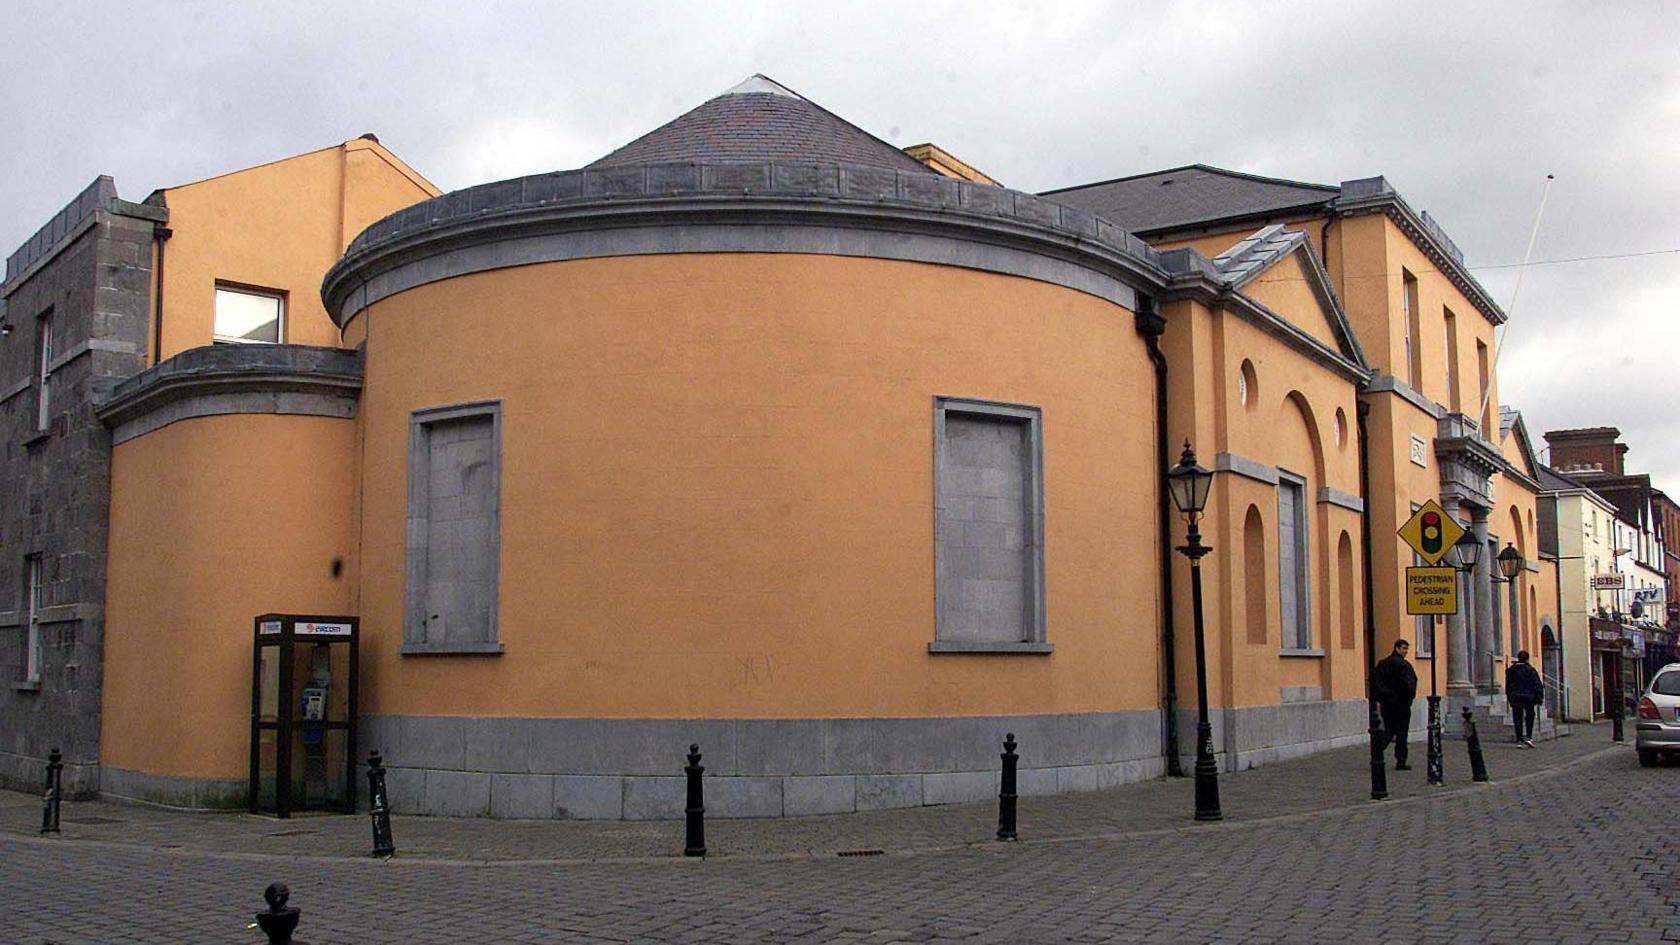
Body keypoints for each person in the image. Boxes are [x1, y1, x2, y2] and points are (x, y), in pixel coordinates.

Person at [1372, 639, 1419, 769]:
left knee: (1389, 730)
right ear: (1397, 648)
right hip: (1401, 704)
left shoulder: (1382, 664)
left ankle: (1376, 752)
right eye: (1404, 648)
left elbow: (1376, 683)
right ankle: (1401, 761)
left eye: (1407, 649)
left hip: (1387, 704)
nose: (1406, 652)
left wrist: (1383, 697)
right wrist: (1407, 699)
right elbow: (1410, 685)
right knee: (1402, 733)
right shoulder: (1404, 665)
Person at [1505, 650, 1545, 747]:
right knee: (1529, 716)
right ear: (1527, 658)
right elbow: (1536, 684)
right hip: (1528, 697)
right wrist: (1539, 698)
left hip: (1515, 696)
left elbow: (1508, 685)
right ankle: (1528, 737)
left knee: (1517, 718)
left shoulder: (1511, 670)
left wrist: (1509, 696)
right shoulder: (1530, 670)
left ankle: (1519, 739)